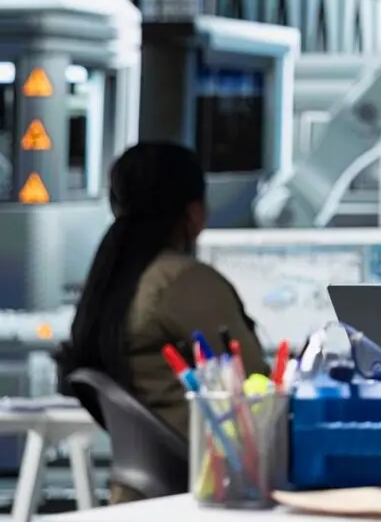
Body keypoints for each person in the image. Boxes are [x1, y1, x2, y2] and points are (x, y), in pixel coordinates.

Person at [57, 142, 268, 499]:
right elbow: (256, 381)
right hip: (211, 480)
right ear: (195, 211)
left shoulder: (109, 282)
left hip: (136, 487)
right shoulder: (182, 281)